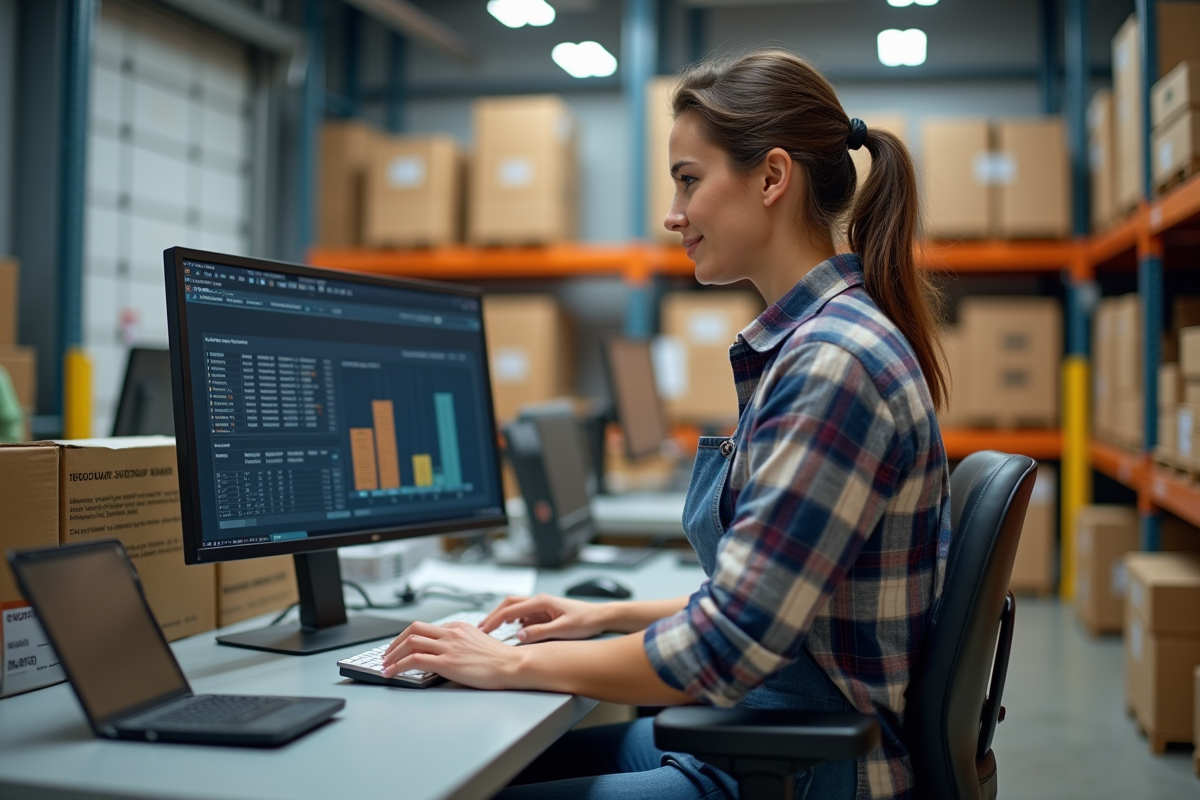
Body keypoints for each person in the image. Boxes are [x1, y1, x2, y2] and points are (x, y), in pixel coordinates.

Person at [381, 49, 952, 800]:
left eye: (689, 180)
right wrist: (600, 615)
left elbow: (728, 649)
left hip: (809, 772)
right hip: (769, 734)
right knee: (470, 769)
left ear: (773, 177)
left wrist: (509, 663)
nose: (672, 213)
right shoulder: (816, 342)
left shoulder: (832, 363)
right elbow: (764, 600)